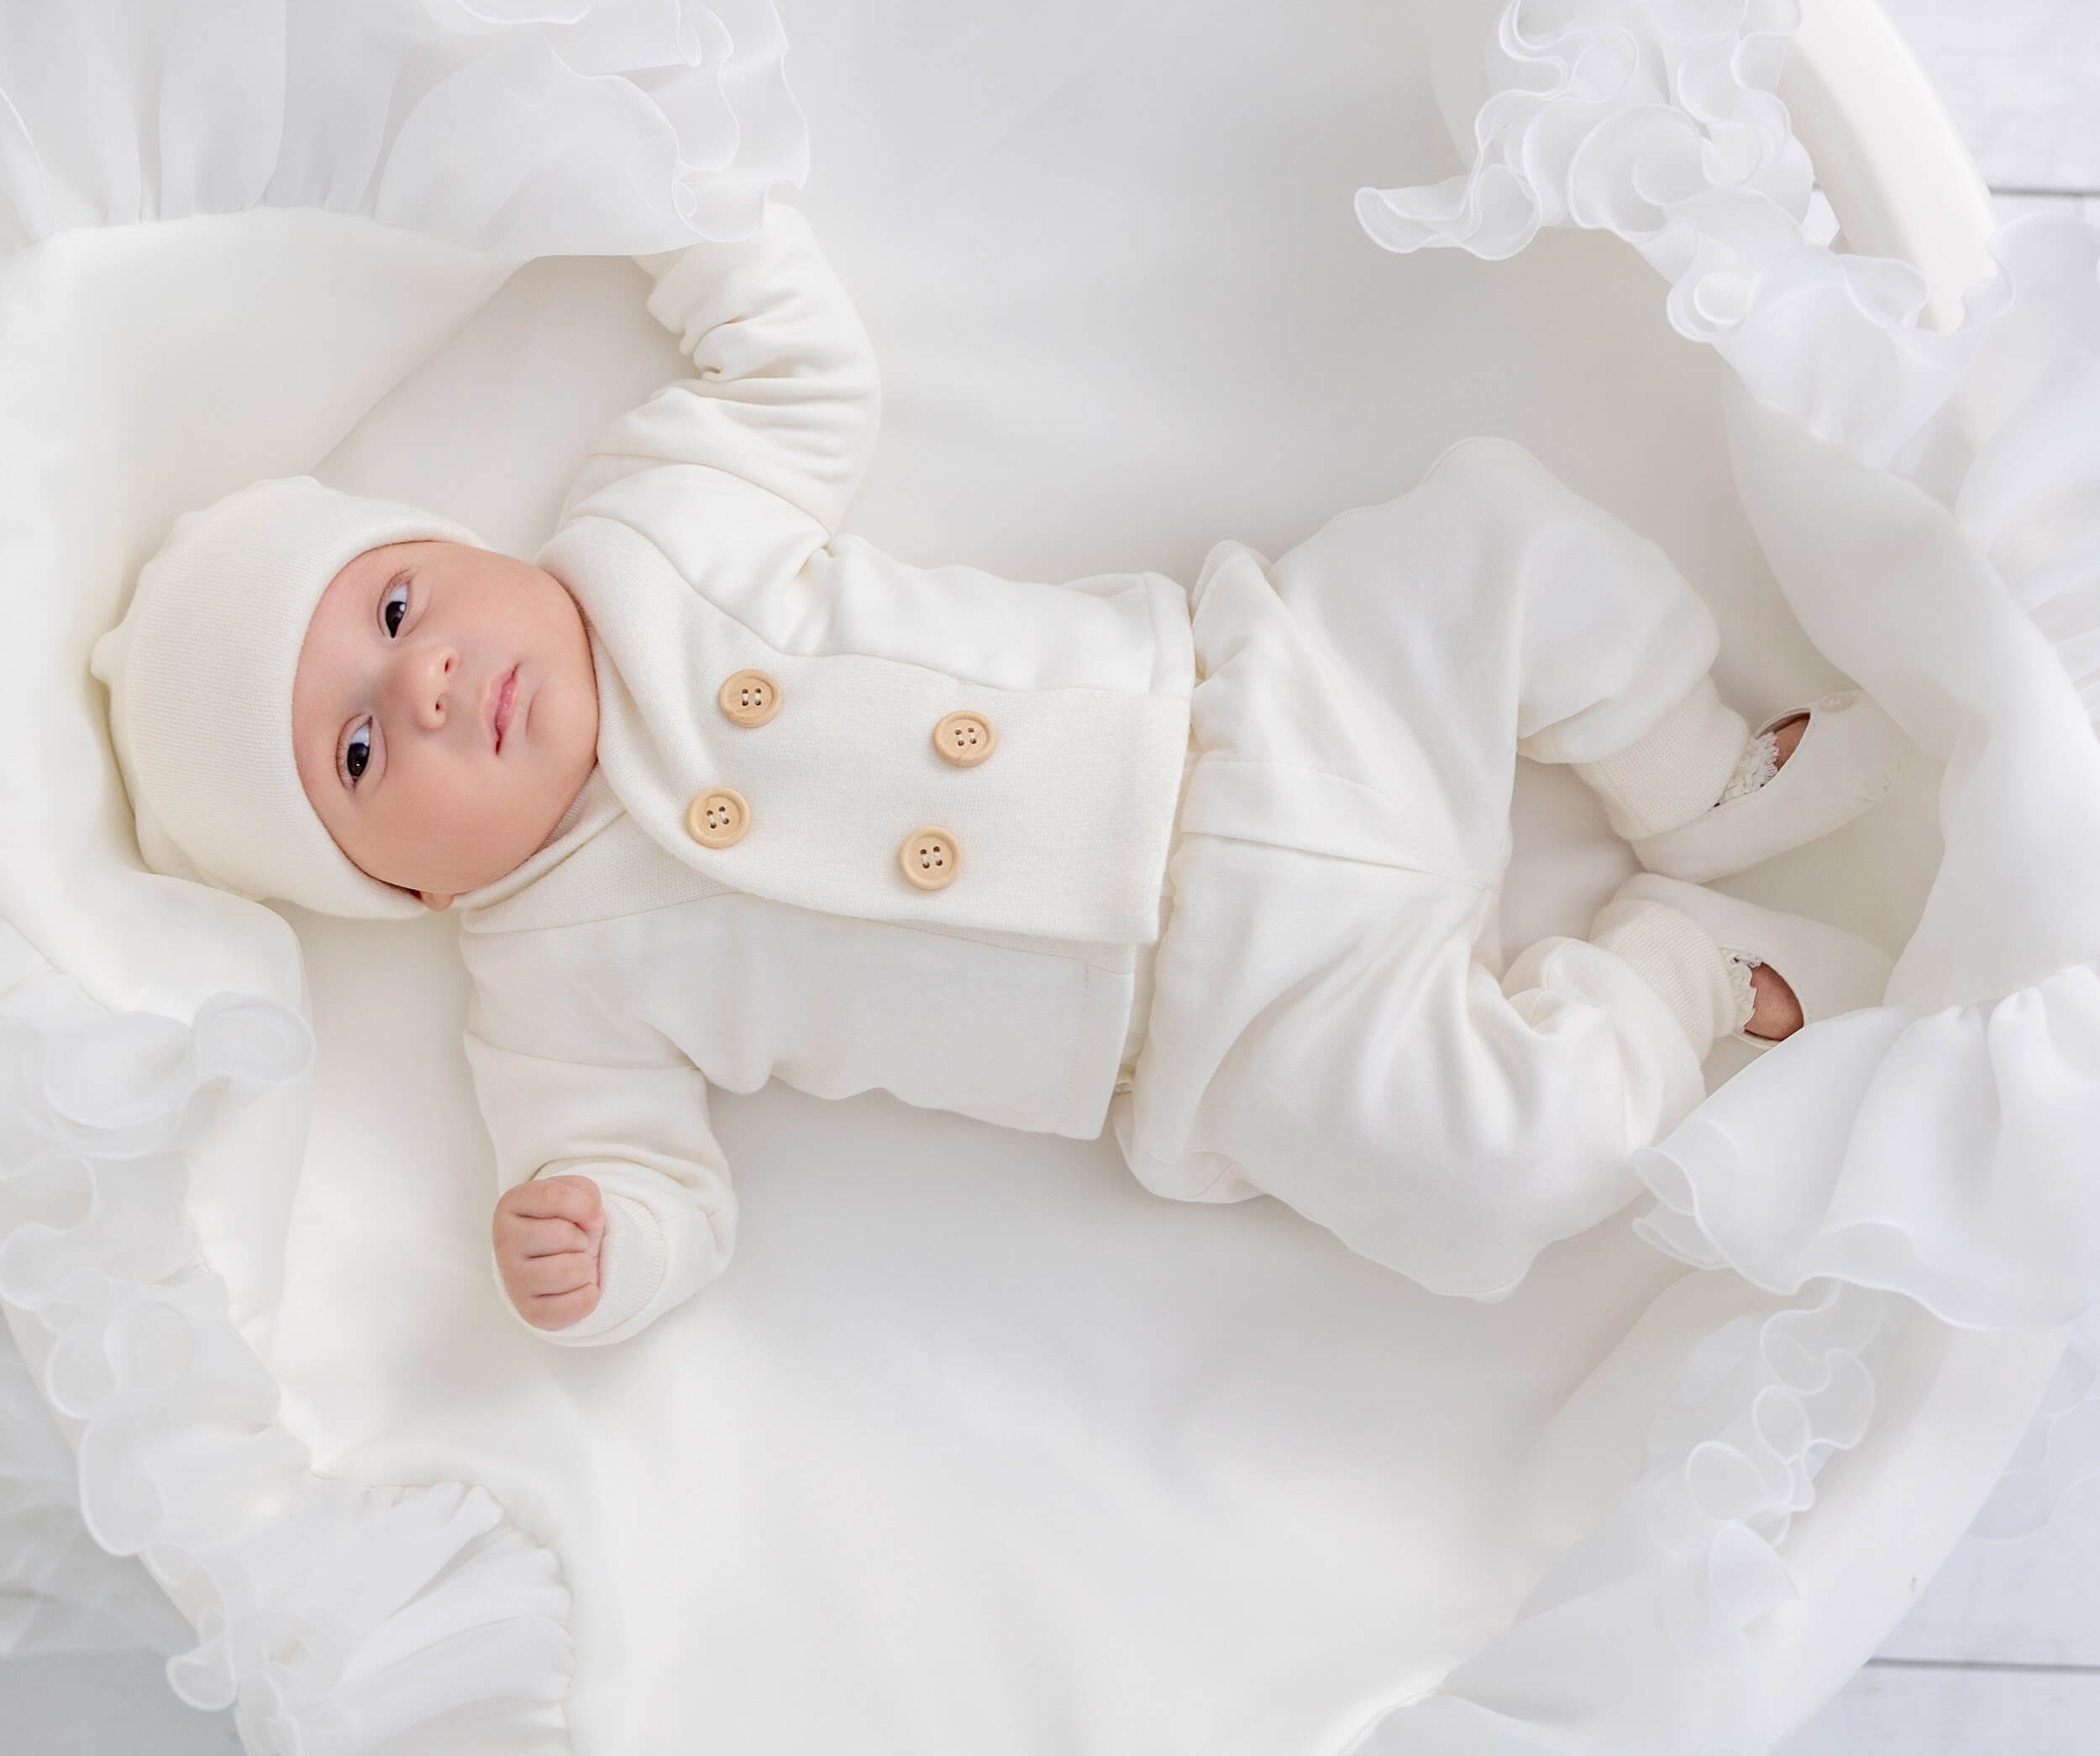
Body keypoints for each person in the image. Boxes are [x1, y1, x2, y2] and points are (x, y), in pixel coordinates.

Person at [90, 204, 1905, 1344]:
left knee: (1491, 531)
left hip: (1255, 707)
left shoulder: (648, 533)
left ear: (440, 541)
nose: (424, 682)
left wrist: (682, 200)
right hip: (1215, 1025)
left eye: (396, 601)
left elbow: (794, 370)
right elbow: (651, 1181)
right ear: (393, 888)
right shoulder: (544, 990)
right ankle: (1668, 976)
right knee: (1481, 1183)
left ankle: (1691, 770)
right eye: (351, 745)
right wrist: (606, 1250)